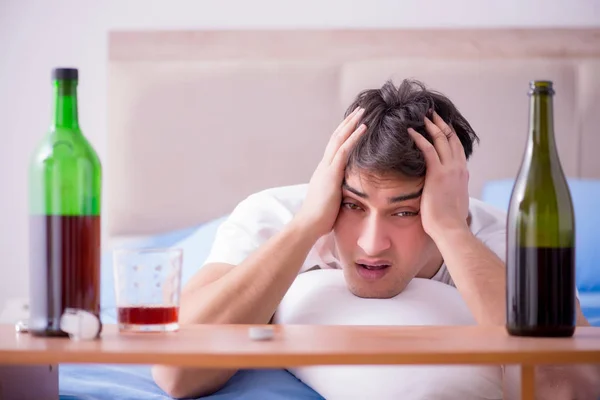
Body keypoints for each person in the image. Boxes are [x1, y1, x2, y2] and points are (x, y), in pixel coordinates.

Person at [152, 79, 599, 399]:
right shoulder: (277, 215)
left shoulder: (497, 238)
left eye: (404, 212)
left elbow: (569, 389)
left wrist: (450, 228)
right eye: (354, 205)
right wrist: (309, 222)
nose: (371, 244)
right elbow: (175, 374)